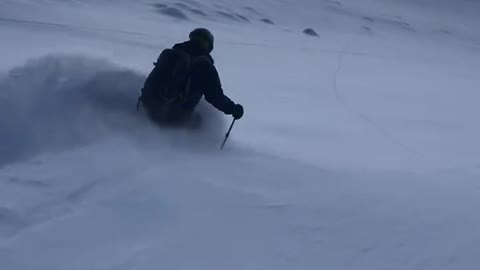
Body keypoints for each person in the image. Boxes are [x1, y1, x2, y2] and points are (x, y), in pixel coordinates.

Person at [137, 28, 244, 126]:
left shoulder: (170, 54)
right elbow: (215, 96)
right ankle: (185, 145)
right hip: (175, 116)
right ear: (209, 47)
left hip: (148, 106)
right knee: (202, 122)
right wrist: (232, 109)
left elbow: (153, 79)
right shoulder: (205, 66)